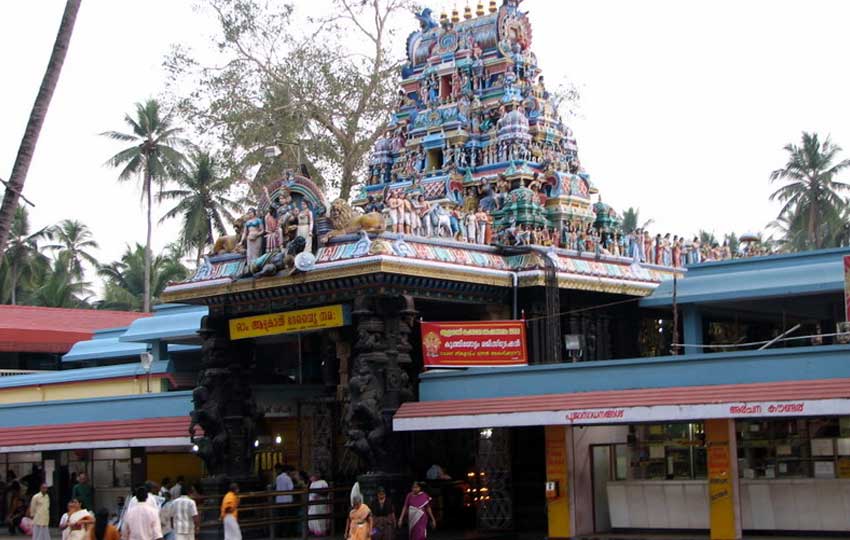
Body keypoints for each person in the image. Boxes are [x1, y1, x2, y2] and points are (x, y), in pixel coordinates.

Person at [273, 464, 293, 537]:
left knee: (280, 518)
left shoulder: (278, 478)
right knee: (287, 519)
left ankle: (279, 534)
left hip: (279, 501)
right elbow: (291, 488)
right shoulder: (288, 478)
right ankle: (287, 534)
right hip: (287, 501)